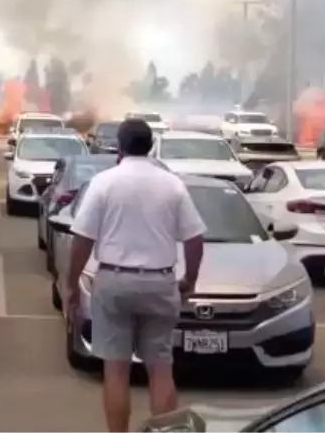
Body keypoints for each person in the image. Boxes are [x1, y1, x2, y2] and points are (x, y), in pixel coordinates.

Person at [64, 118, 206, 433]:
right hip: (160, 281)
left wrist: (71, 285)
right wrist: (190, 279)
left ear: (120, 146)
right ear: (151, 145)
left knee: (116, 371)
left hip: (114, 282)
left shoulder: (105, 182)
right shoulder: (172, 184)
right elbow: (195, 239)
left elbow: (82, 239)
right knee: (160, 369)